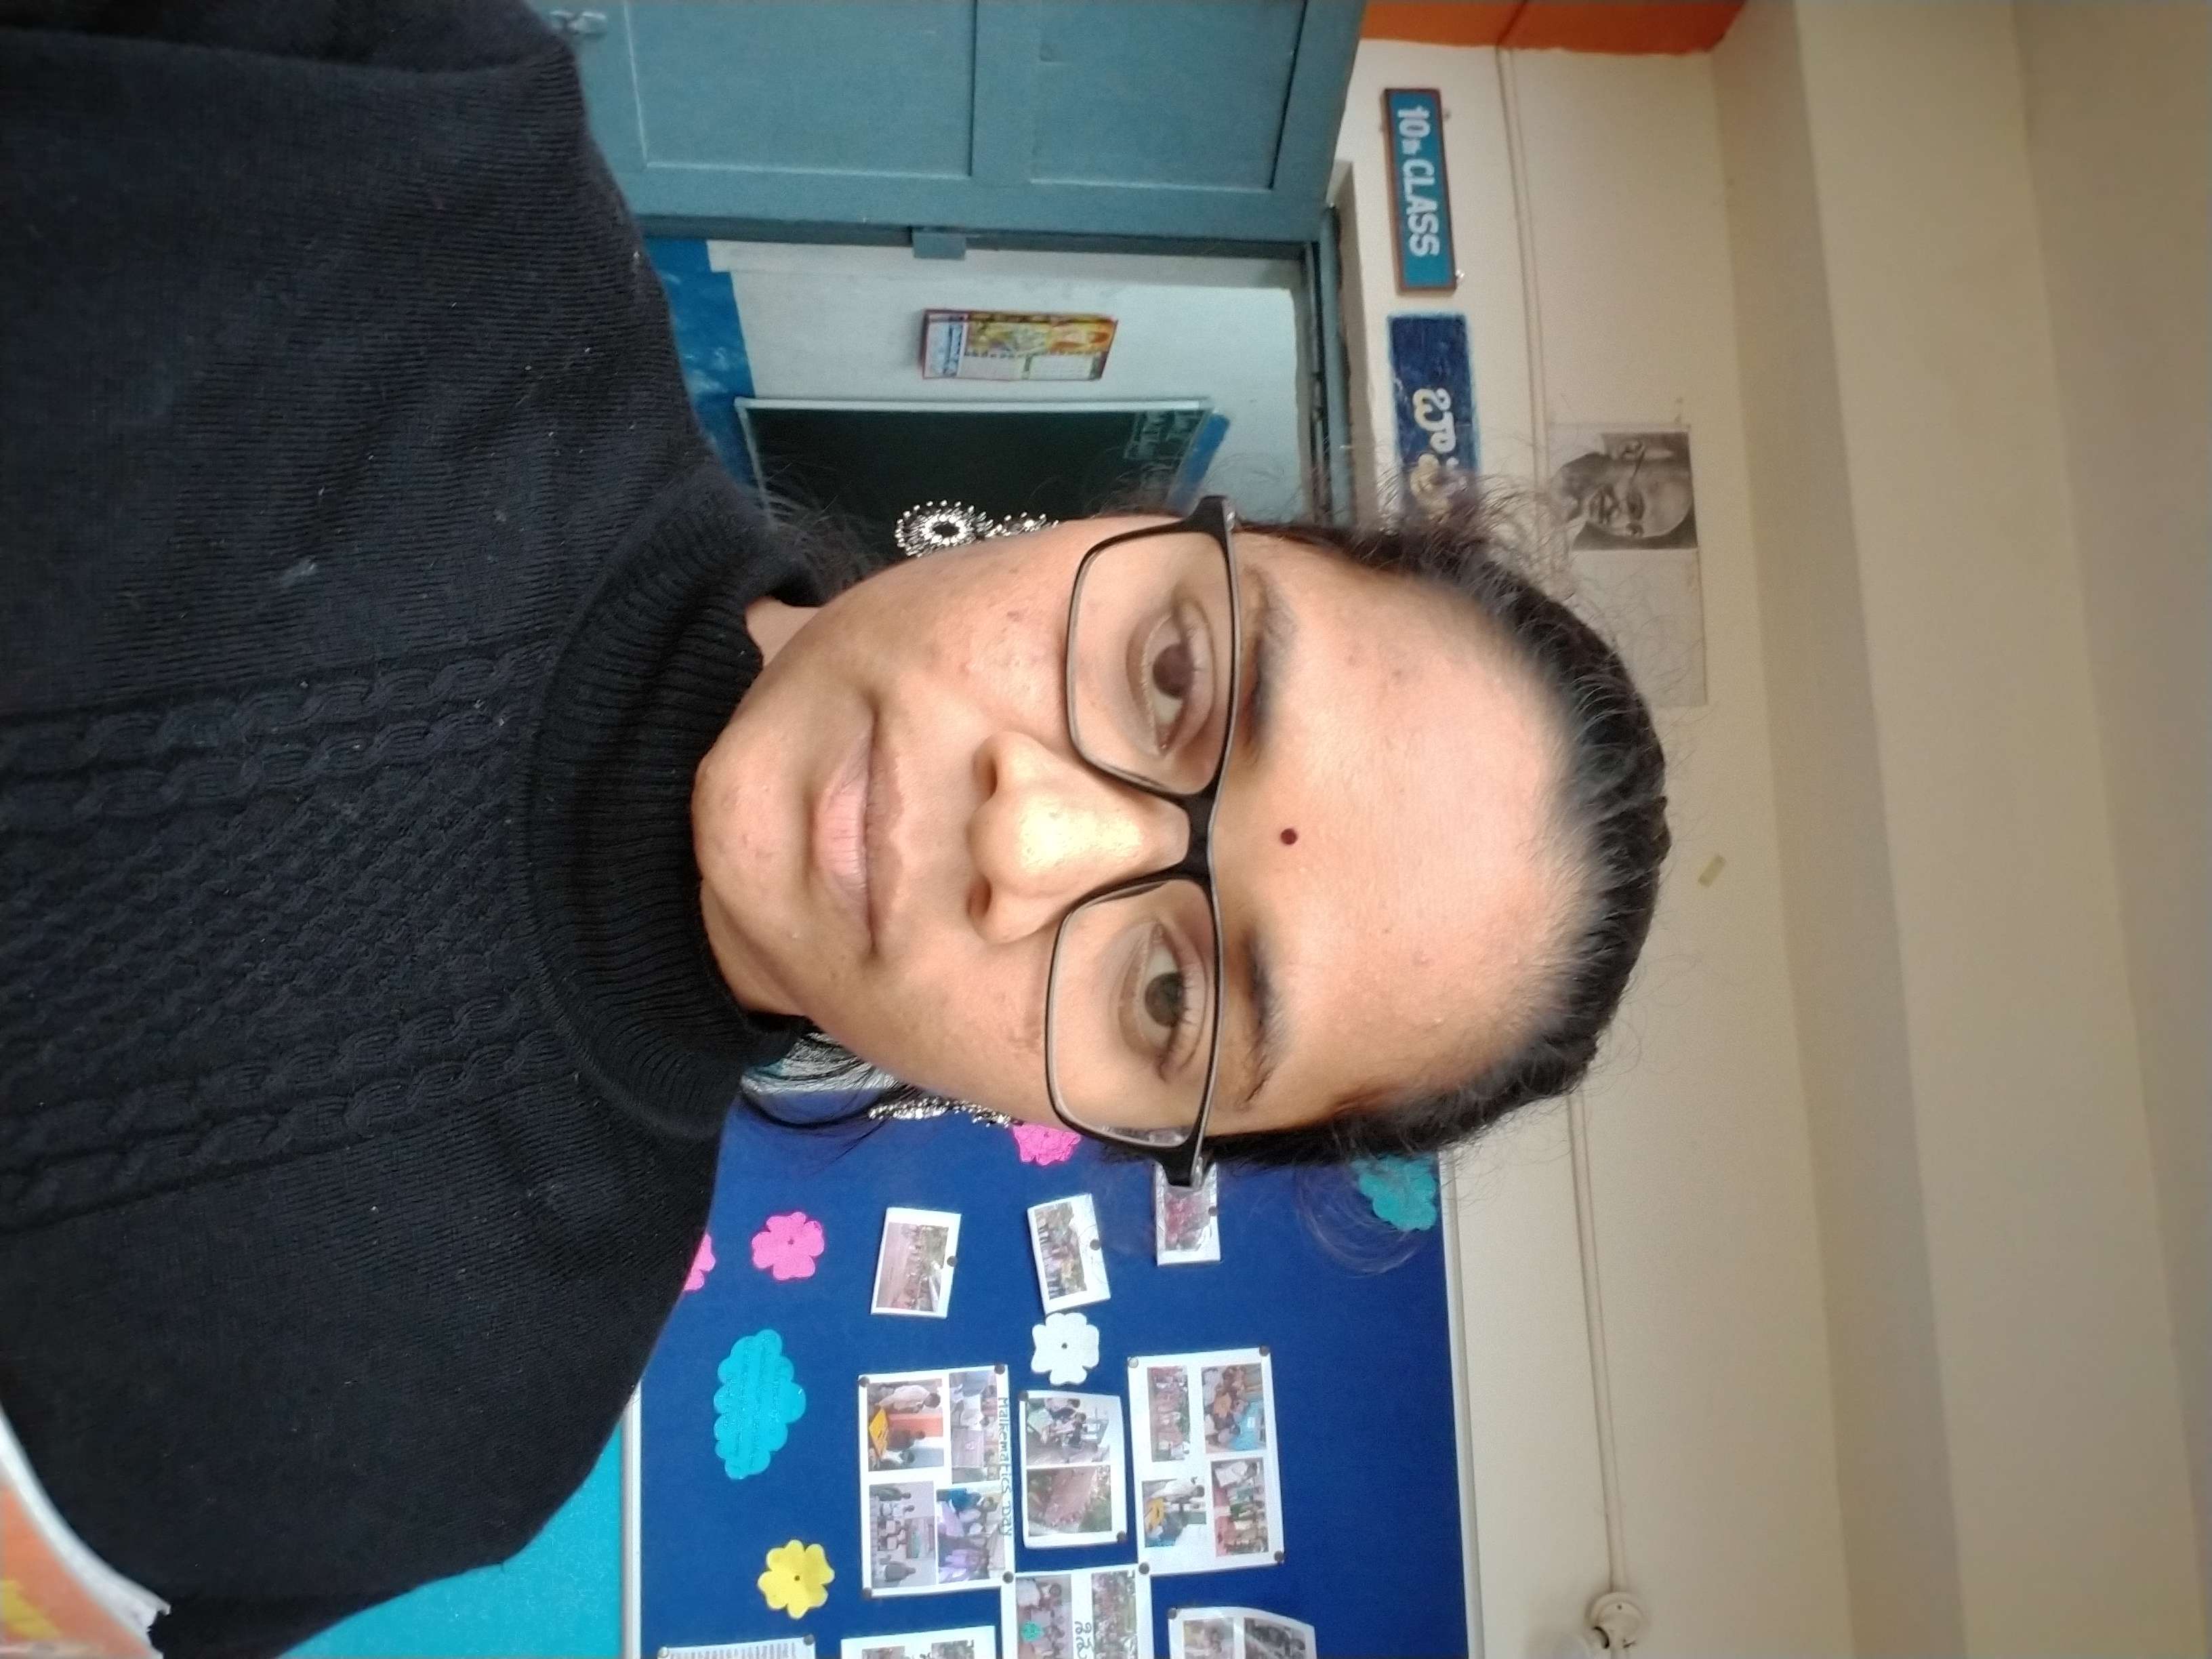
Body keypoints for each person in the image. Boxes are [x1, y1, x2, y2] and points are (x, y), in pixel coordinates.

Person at [1, 1, 1668, 1653]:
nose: (1029, 845)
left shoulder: (451, 1434)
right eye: (1175, 673)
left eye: (1170, 994)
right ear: (1127, 523)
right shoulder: (409, 150)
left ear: (1096, 1124)